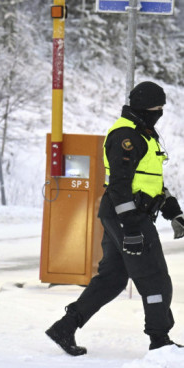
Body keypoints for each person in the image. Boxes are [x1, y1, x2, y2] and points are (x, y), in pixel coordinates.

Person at [46, 81, 184, 355]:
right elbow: (120, 186)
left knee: (112, 279)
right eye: (157, 108)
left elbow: (147, 181)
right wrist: (132, 227)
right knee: (155, 278)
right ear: (145, 108)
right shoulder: (126, 136)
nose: (160, 113)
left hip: (124, 215)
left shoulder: (143, 134)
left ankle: (65, 326)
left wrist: (171, 209)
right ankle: (160, 341)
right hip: (127, 216)